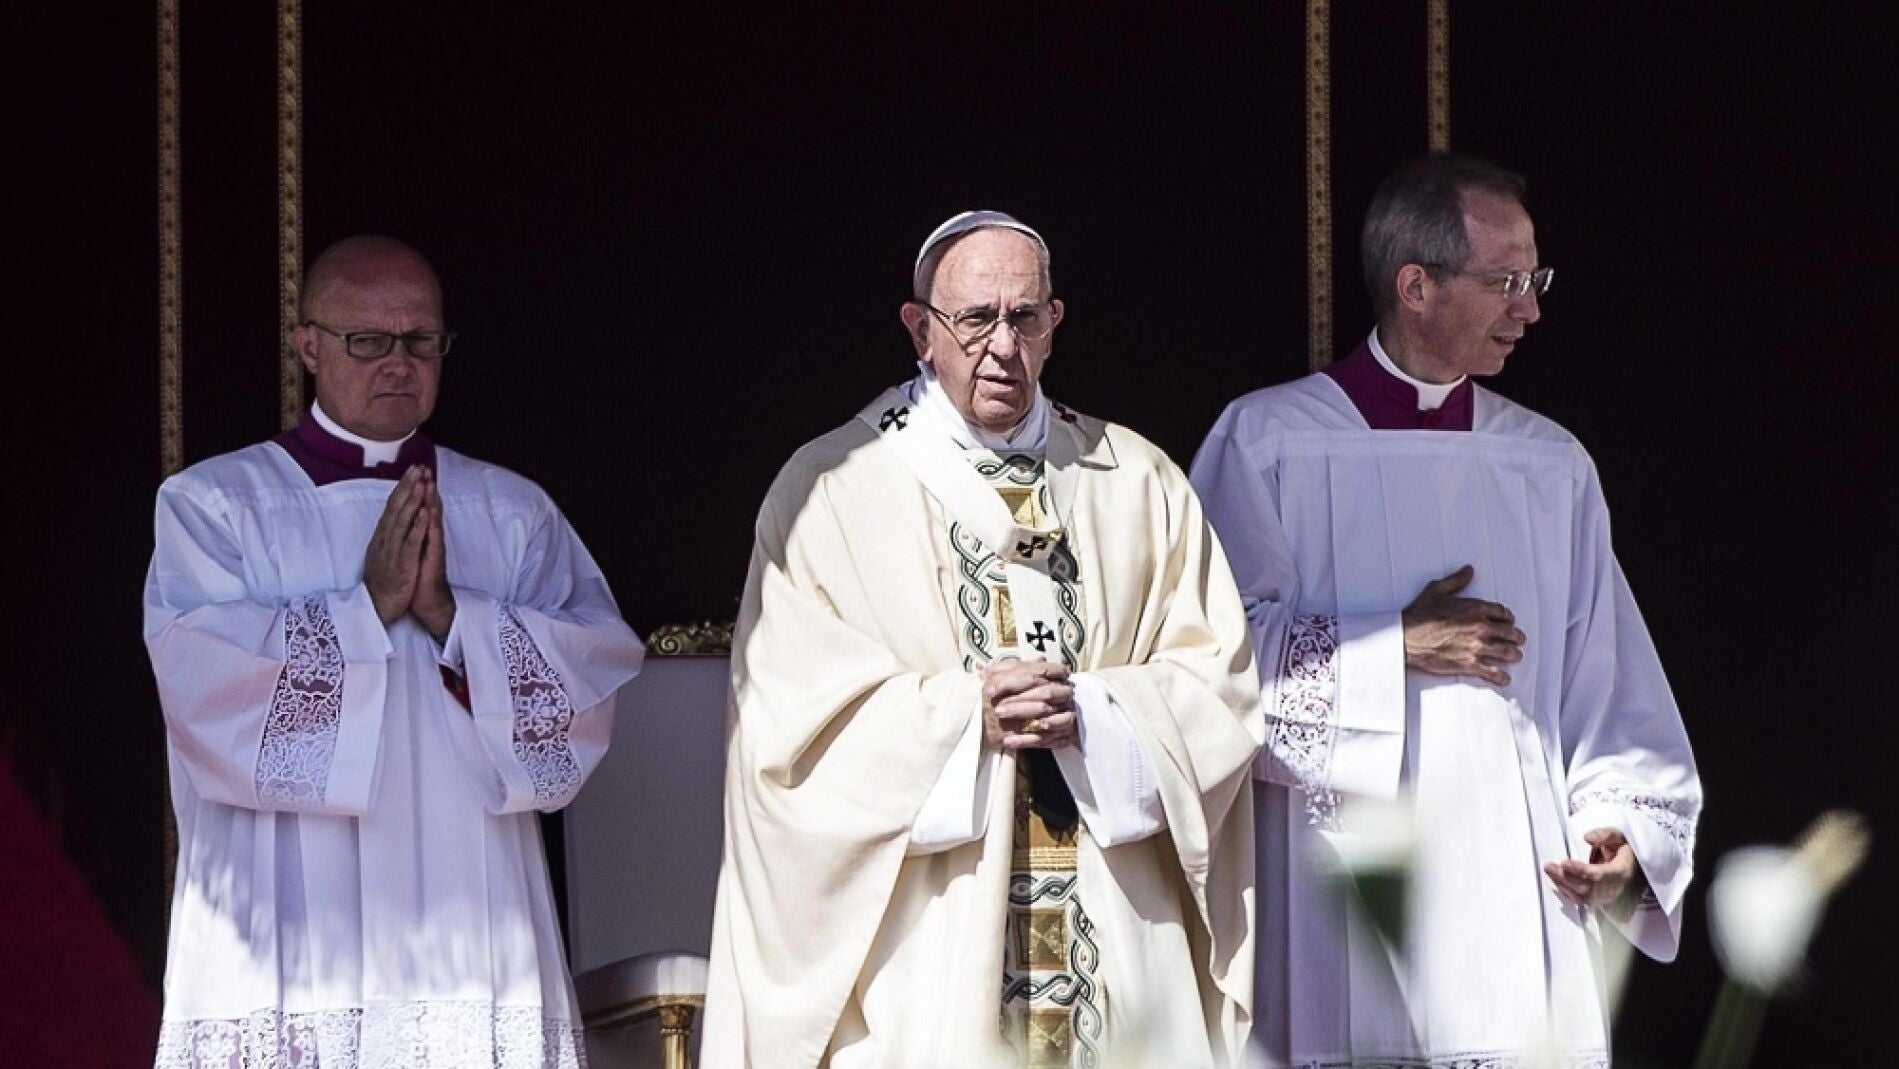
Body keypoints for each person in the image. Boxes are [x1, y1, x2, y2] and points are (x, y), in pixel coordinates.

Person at [701, 212, 1263, 1068]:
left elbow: (1217, 688)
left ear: (1054, 324)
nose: (1001, 345)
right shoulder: (831, 490)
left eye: (1024, 318)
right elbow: (787, 736)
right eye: (973, 319)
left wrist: (1098, 714)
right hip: (931, 943)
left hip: (1112, 930)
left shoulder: (1138, 481)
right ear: (919, 328)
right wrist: (968, 719)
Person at [1190, 154, 1702, 1065]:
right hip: (1338, 898)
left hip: (1517, 898)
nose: (1529, 307)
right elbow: (1206, 676)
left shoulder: (1547, 468)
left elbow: (1605, 685)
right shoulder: (1268, 444)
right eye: (1505, 282)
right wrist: (1392, 644)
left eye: (1533, 279)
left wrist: (1622, 832)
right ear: (1415, 285)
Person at [143, 235, 646, 1067]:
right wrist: (366, 608)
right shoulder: (214, 506)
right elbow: (204, 692)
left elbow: (581, 695)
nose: (398, 364)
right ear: (308, 345)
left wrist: (454, 617)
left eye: (420, 341)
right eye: (367, 341)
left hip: (470, 906)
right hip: (289, 919)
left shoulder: (509, 510)